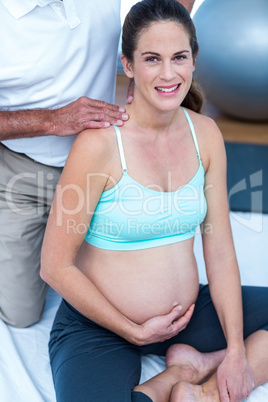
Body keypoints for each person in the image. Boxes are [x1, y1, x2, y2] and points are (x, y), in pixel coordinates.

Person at [41, 0, 268, 401]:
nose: (168, 74)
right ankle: (179, 372)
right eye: (151, 59)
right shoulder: (99, 144)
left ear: (194, 60)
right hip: (100, 327)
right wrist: (133, 330)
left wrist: (235, 349)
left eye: (179, 57)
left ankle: (202, 387)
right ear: (127, 65)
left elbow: (220, 251)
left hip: (188, 316)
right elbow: (54, 267)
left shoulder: (206, 134)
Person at [0, 0, 195, 329]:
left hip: (101, 167)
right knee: (21, 315)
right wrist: (49, 121)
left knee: (138, 295)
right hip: (22, 170)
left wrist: (147, 61)